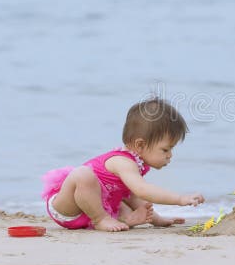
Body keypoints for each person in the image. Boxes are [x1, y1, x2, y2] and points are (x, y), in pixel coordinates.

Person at [42, 98, 204, 232]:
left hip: (93, 208)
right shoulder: (123, 163)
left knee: (125, 196)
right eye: (165, 149)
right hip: (70, 208)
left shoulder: (137, 164)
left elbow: (134, 197)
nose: (170, 155)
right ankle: (101, 220)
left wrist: (157, 220)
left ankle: (125, 220)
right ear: (140, 145)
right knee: (83, 174)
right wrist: (180, 199)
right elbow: (142, 190)